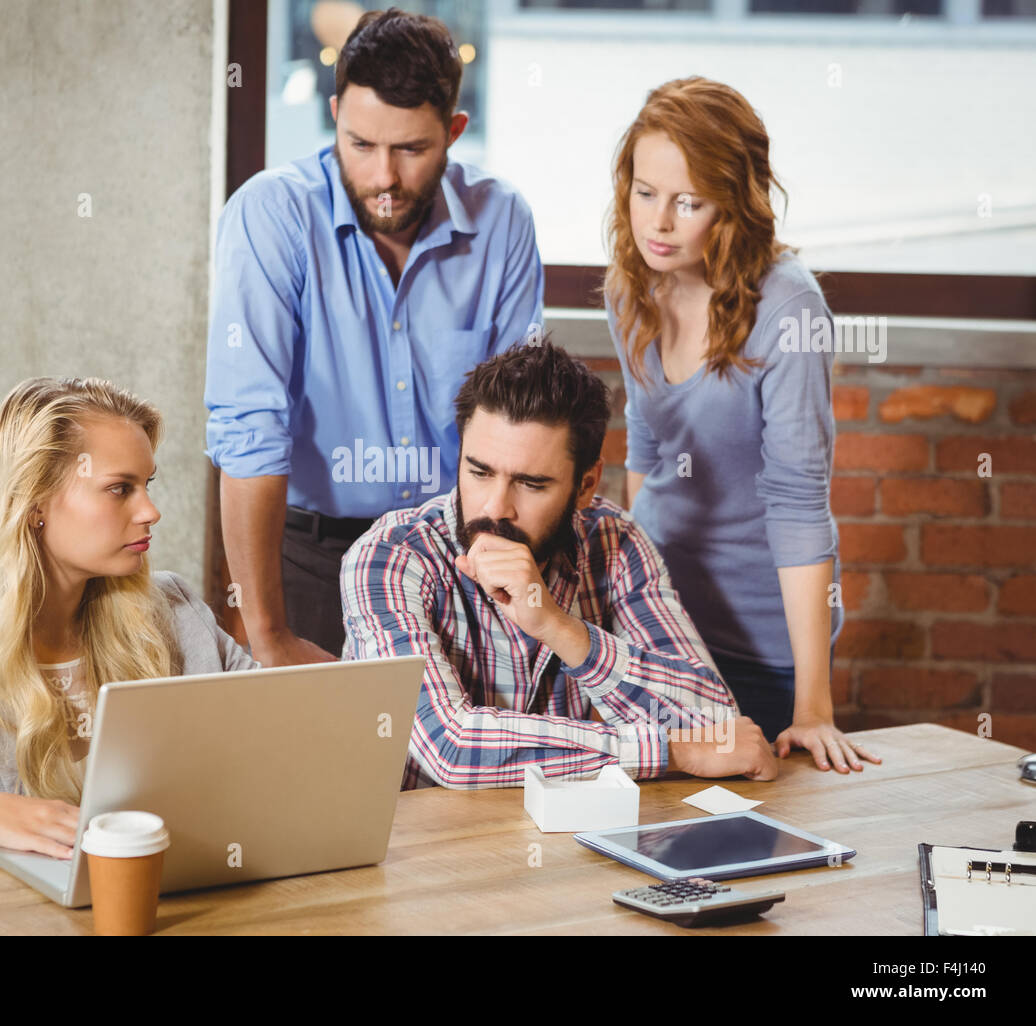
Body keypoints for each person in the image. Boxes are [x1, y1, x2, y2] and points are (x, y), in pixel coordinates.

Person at [204, 7, 543, 667]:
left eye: (411, 150)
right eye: (360, 144)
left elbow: (518, 425)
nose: (384, 178)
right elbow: (250, 428)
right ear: (335, 114)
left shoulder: (502, 222)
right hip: (310, 560)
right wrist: (268, 635)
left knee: (461, 766)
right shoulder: (270, 216)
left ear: (453, 131)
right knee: (317, 766)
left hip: (459, 554)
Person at [0, 378, 256, 871]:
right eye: (120, 488)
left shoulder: (176, 614)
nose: (150, 511)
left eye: (147, 485)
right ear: (34, 504)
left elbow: (280, 738)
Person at [341, 341, 777, 789]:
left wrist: (558, 627)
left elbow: (718, 726)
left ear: (585, 486)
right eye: (479, 472)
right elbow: (452, 748)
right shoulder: (390, 556)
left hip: (564, 843)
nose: (496, 508)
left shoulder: (615, 541)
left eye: (531, 484)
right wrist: (672, 751)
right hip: (424, 848)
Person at [602, 77, 880, 773]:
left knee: (754, 849)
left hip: (760, 644)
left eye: (688, 202)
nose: (658, 223)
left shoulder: (789, 308)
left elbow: (797, 502)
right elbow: (647, 453)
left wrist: (814, 708)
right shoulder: (631, 287)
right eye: (645, 193)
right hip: (661, 636)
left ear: (732, 201)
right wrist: (642, 606)